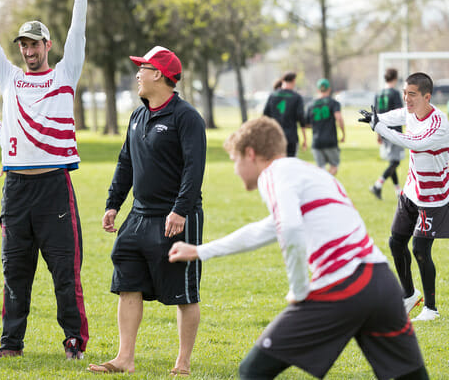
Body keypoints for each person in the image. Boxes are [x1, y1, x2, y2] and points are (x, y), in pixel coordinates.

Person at [168, 116, 428, 380]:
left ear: (250, 154)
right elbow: (268, 228)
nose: (235, 170)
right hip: (381, 282)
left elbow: (289, 228)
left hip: (345, 284)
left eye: (235, 160)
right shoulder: (309, 173)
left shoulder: (272, 173)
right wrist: (201, 251)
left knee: (252, 370)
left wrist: (299, 288)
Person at [0, 0, 89, 360]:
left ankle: (74, 342)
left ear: (47, 44)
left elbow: (78, 33)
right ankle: (11, 344)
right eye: (23, 44)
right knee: (15, 272)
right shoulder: (9, 78)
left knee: (65, 273)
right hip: (17, 190)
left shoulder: (65, 74)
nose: (28, 50)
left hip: (55, 189)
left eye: (35, 44)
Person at [90, 46, 206, 376]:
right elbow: (126, 162)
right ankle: (124, 358)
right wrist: (114, 203)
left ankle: (182, 364)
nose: (137, 74)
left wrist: (180, 210)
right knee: (128, 282)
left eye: (143, 68)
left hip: (176, 217)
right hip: (138, 217)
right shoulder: (138, 115)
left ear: (159, 75)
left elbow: (194, 169)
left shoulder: (187, 118)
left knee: (184, 292)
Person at [361, 71, 449, 322]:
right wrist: (377, 118)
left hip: (433, 195)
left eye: (412, 94)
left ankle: (431, 309)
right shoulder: (411, 111)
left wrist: (379, 127)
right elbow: (399, 115)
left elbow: (414, 142)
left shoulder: (439, 123)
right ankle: (409, 294)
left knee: (420, 249)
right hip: (412, 189)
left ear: (427, 97)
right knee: (395, 242)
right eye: (404, 93)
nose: (406, 99)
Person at [370, 68, 404, 200]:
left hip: (382, 130)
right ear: (395, 78)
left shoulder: (378, 94)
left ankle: (398, 191)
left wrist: (378, 133)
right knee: (395, 162)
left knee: (393, 161)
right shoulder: (394, 93)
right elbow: (400, 112)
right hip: (394, 131)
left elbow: (375, 115)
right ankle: (377, 185)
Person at [304, 78, 345, 176]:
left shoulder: (310, 105)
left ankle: (322, 183)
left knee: (320, 168)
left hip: (316, 140)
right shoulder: (333, 103)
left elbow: (306, 124)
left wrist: (316, 124)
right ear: (329, 89)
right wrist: (343, 134)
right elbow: (338, 117)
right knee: (334, 166)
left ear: (318, 90)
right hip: (330, 140)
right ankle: (326, 182)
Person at [263, 72, 307, 157]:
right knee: (290, 164)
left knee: (276, 163)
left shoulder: (272, 95)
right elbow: (301, 118)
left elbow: (265, 116)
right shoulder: (297, 97)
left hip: (275, 136)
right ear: (293, 81)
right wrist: (304, 138)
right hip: (291, 137)